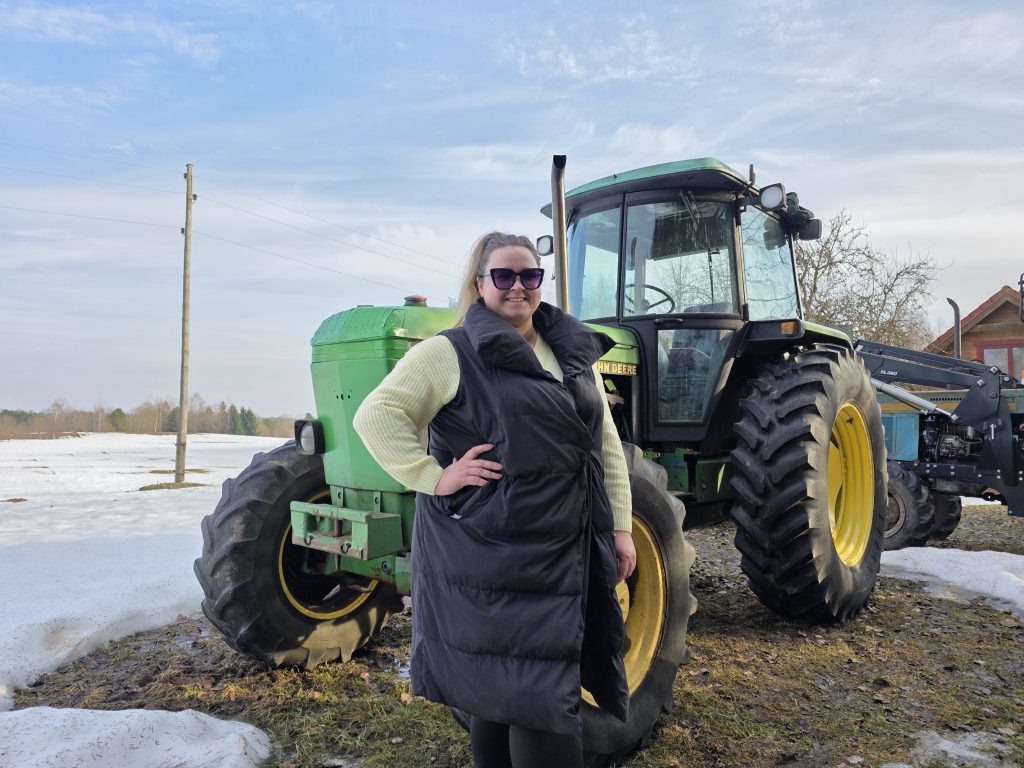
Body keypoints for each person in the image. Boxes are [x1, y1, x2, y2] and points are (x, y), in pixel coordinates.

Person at [353, 231, 635, 768]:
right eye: (503, 276)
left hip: (562, 547)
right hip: (489, 554)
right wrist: (434, 476)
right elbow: (376, 416)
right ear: (479, 284)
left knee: (510, 692)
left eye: (530, 276)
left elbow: (604, 446)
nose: (518, 288)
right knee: (528, 697)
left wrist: (619, 527)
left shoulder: (572, 351)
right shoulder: (450, 352)